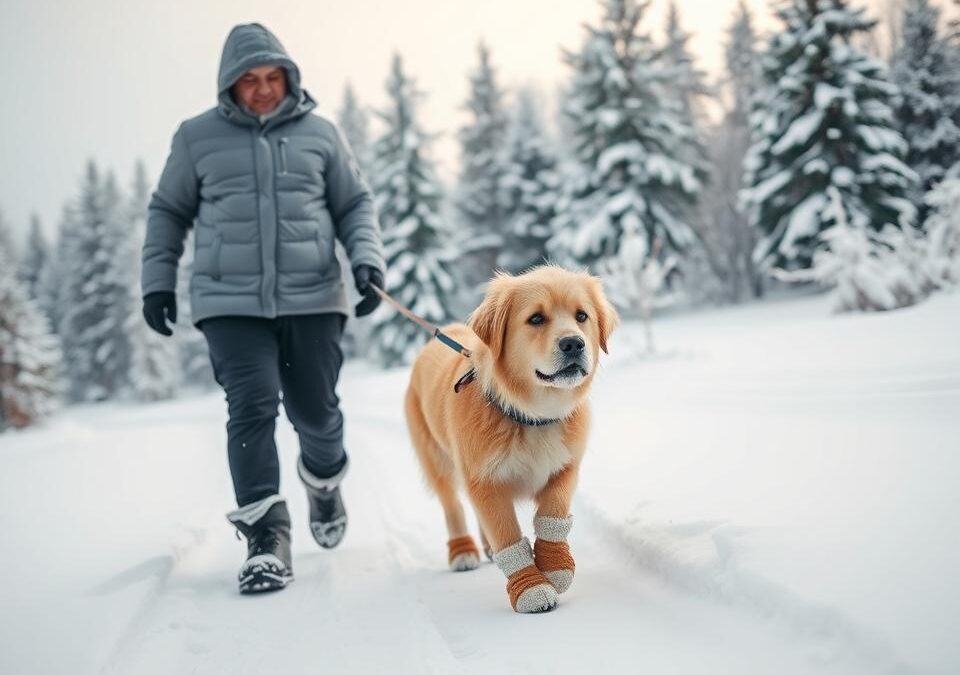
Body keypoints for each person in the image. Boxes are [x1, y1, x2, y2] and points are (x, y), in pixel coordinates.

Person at [140, 22, 385, 594]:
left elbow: (354, 203)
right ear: (230, 84)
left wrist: (367, 262)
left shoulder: (320, 133)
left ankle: (323, 483)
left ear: (289, 78)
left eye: (273, 77)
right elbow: (168, 212)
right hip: (230, 302)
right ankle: (265, 538)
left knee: (316, 412)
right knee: (251, 405)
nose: (263, 89)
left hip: (313, 297)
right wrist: (157, 282)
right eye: (250, 80)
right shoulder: (196, 137)